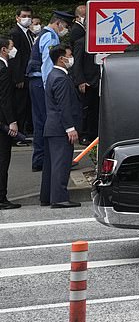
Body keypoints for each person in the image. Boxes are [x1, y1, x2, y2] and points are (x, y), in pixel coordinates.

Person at [26, 11, 73, 172]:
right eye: (65, 26)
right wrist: (50, 90)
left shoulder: (43, 35)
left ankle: (43, 158)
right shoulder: (50, 37)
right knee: (45, 121)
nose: (65, 29)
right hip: (41, 82)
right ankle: (43, 158)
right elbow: (48, 66)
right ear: (58, 23)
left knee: (41, 120)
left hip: (36, 82)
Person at [41, 45, 82, 208]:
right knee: (61, 163)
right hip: (60, 128)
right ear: (61, 58)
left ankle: (47, 196)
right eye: (69, 56)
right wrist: (70, 128)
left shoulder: (53, 75)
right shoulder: (61, 78)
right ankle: (59, 198)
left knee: (51, 164)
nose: (71, 59)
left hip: (52, 126)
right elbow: (63, 106)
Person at [69, 5, 100, 143]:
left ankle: (94, 133)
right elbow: (77, 63)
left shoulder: (101, 42)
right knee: (85, 110)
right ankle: (84, 134)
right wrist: (80, 80)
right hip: (87, 81)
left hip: (99, 81)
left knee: (96, 109)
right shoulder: (81, 42)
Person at [0, 37, 21, 209]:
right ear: (3, 50)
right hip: (2, 123)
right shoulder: (3, 70)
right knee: (3, 159)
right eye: (11, 47)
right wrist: (12, 122)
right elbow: (5, 99)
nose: (13, 50)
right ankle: (1, 198)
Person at [8, 5, 34, 141]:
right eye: (24, 16)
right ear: (17, 18)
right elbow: (15, 57)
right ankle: (17, 134)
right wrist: (18, 77)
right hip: (21, 76)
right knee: (19, 104)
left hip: (27, 74)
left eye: (29, 16)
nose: (27, 19)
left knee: (25, 104)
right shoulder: (16, 33)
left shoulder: (28, 33)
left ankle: (24, 130)